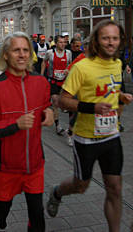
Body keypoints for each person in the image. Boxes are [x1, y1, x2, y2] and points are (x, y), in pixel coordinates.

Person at [46, 19, 133, 232]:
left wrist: (121, 98)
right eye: (106, 38)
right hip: (86, 138)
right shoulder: (81, 67)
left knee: (115, 188)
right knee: (81, 185)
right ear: (96, 40)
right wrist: (92, 108)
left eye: (115, 38)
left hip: (111, 136)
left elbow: (111, 92)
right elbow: (64, 101)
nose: (111, 43)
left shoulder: (117, 64)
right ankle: (57, 192)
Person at [0, 32, 54, 232]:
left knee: (37, 216)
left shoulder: (41, 83)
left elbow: (45, 105)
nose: (22, 55)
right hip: (5, 166)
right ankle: (0, 222)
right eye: (16, 50)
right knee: (4, 206)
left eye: (26, 50)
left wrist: (49, 112)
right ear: (6, 56)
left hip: (34, 163)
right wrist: (15, 124)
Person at [41, 35, 72, 135]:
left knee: (66, 105)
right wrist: (42, 75)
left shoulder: (68, 53)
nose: (63, 44)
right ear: (56, 43)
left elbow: (71, 64)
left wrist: (69, 71)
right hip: (53, 81)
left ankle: (70, 127)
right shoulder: (50, 53)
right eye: (60, 42)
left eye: (64, 42)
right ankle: (58, 126)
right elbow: (43, 62)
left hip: (64, 82)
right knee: (55, 102)